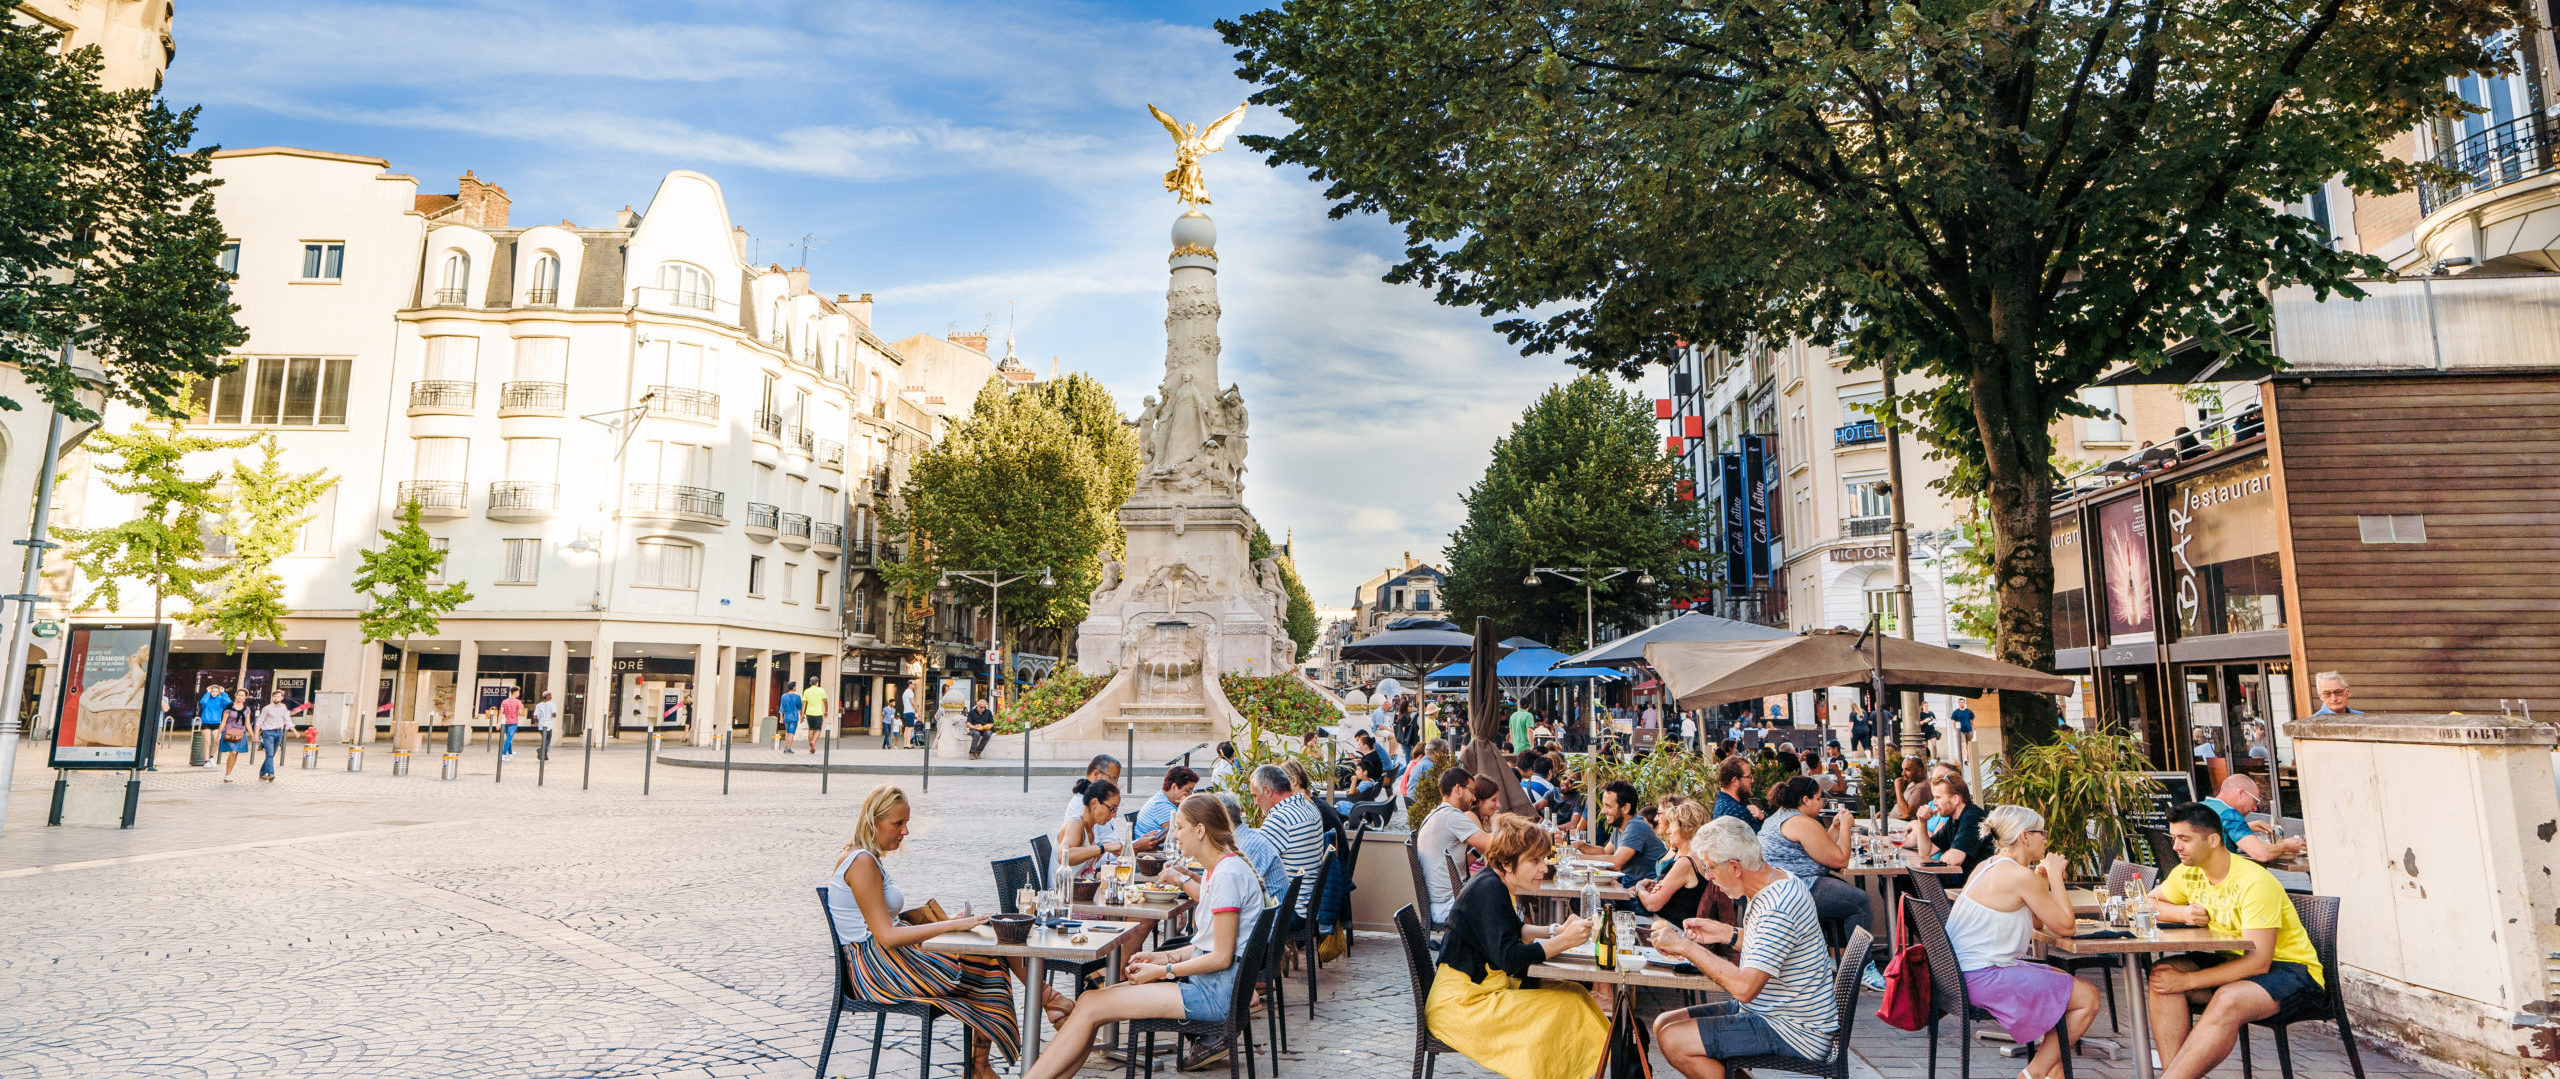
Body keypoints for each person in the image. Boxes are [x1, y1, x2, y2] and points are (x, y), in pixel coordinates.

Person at [828, 786, 1059, 1079]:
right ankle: (983, 1062)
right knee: (987, 959)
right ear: (873, 821)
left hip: (891, 957)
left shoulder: (863, 857)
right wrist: (951, 926)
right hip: (878, 968)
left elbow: (885, 922)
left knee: (988, 943)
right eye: (898, 823)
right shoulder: (861, 862)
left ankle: (993, 1052)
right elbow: (885, 936)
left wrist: (949, 922)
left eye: (906, 822)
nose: (905, 832)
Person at [1036, 794, 1266, 1079]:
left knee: (1091, 1005)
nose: (1175, 836)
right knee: (1088, 1004)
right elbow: (1206, 947)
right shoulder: (1219, 871)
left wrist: (1163, 970)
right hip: (1212, 988)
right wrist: (1158, 958)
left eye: (1179, 827)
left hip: (1212, 996)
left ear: (1200, 830)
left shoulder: (1226, 876)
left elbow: (1220, 957)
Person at [2145, 803, 2327, 1079]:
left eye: (2185, 839)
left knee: (2227, 998)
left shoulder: (2254, 882)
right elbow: (2150, 902)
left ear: (2213, 840)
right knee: (2163, 977)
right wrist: (2182, 912)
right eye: (2174, 839)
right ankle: (2176, 1074)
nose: (2175, 847)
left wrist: (2189, 982)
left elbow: (2259, 962)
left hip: (2291, 971)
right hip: (2233, 960)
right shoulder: (2188, 872)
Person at [1651, 817, 1842, 1079]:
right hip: (1772, 1012)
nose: (1709, 877)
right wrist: (1725, 933)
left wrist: (1685, 946)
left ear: (1734, 867)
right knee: (1664, 1024)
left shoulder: (1778, 907)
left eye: (1710, 868)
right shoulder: (1775, 881)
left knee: (1675, 1039)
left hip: (1794, 1030)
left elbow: (1745, 988)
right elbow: (1769, 946)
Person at [1423, 814, 1609, 1079]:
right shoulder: (1489, 890)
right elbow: (1510, 957)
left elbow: (1514, 931)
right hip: (1462, 1006)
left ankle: (1591, 1066)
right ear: (1508, 863)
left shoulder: (1494, 883)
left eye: (1543, 859)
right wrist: (1563, 942)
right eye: (1535, 860)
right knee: (1566, 1008)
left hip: (1478, 992)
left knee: (1575, 993)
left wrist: (1555, 930)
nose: (1544, 868)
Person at [1945, 805, 2103, 1079]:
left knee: (2063, 984)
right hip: (1982, 976)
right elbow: (2065, 927)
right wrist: (2055, 876)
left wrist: (2041, 879)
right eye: (2042, 832)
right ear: (2024, 837)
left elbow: (2037, 923)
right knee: (2087, 998)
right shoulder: (2018, 875)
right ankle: (2032, 1074)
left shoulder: (1988, 866)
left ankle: (2053, 1074)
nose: (2046, 838)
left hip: (1961, 973)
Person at [1758, 777, 1877, 964]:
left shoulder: (1781, 816)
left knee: (1843, 892)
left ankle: (1835, 958)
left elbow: (1820, 849)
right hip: (1796, 889)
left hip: (1781, 886)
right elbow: (1839, 859)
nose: (1822, 803)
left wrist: (1835, 827)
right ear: (1805, 800)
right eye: (1819, 798)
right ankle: (1862, 967)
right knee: (1859, 902)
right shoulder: (1800, 822)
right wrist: (1846, 825)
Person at [1416, 767, 1494, 922]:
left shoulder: (1435, 815)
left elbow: (1456, 860)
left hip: (1440, 903)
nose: (1473, 798)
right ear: (1458, 789)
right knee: (1500, 898)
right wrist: (1497, 821)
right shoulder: (1452, 817)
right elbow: (1493, 845)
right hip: (1448, 905)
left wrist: (1477, 853)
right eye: (1472, 791)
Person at [1251, 764, 1325, 928]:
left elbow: (1252, 867)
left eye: (1255, 796)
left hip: (1292, 911)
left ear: (1268, 791)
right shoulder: (1309, 807)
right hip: (1309, 906)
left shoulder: (1280, 818)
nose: (1255, 802)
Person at [1571, 780, 1667, 891]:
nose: (1603, 811)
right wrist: (1580, 846)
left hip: (1642, 895)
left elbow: (1615, 862)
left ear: (1626, 808)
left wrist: (1575, 859)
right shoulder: (1621, 827)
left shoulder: (1636, 826)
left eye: (1608, 806)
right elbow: (1605, 852)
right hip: (1629, 889)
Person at [1635, 799, 1713, 920]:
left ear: (1686, 827)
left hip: (1671, 929)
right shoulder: (1698, 858)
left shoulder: (1686, 862)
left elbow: (1652, 904)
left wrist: (1639, 887)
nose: (1668, 831)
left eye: (1672, 825)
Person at [2203, 774, 2306, 863]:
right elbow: (2262, 854)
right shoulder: (2229, 815)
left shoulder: (2200, 807)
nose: (2254, 808)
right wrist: (2286, 846)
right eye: (2255, 801)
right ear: (2241, 793)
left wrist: (2247, 827)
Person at [1913, 775, 1992, 881]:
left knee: (1909, 881)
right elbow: (1925, 852)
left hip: (1976, 885)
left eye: (1938, 797)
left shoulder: (1973, 817)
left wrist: (1945, 856)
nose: (1934, 803)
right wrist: (1922, 822)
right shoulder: (1953, 820)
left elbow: (1954, 859)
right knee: (1908, 880)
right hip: (1964, 881)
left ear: (1955, 799)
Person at [1052, 779, 1125, 886]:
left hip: (1081, 891)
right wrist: (1103, 847)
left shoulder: (1091, 829)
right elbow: (1063, 856)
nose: (1114, 815)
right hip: (1064, 896)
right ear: (1095, 803)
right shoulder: (1075, 823)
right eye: (1112, 809)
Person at [1132, 766, 1198, 853]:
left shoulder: (1164, 798)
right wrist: (1186, 805)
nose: (1189, 795)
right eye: (1188, 791)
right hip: (1150, 853)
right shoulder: (1162, 805)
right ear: (1174, 787)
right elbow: (1183, 833)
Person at [254, 691, 295, 783]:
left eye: (278, 696)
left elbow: (287, 720)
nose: (276, 698)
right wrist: (256, 734)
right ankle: (271, 773)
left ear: (282, 698)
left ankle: (261, 773)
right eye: (274, 696)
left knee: (271, 755)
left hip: (278, 732)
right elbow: (259, 721)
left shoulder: (283, 709)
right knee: (269, 754)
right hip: (268, 733)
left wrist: (294, 730)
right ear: (272, 697)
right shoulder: (267, 708)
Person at [1710, 756, 1762, 826]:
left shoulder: (1724, 800)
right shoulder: (1735, 812)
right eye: (1748, 777)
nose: (1752, 780)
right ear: (1735, 781)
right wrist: (1762, 817)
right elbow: (1759, 836)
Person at [197, 683, 232, 769]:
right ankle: (206, 761)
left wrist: (224, 693)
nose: (214, 693)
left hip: (217, 723)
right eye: (213, 691)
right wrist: (207, 692)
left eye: (216, 691)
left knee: (217, 741)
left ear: (218, 692)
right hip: (206, 723)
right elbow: (202, 702)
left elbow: (229, 703)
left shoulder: (220, 699)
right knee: (207, 742)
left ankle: (211, 757)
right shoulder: (207, 698)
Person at [216, 700, 250, 783]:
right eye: (238, 695)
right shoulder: (229, 708)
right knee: (233, 752)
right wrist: (218, 734)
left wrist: (253, 735)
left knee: (235, 754)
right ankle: (227, 775)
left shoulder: (247, 709)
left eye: (242, 695)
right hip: (229, 732)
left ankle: (228, 774)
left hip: (240, 733)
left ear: (245, 698)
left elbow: (247, 723)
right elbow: (223, 722)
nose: (240, 697)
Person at [799, 678, 829, 754]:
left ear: (810, 683)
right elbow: (825, 701)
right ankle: (813, 742)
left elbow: (804, 704)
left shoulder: (806, 691)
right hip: (818, 713)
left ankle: (811, 748)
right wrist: (826, 710)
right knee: (818, 729)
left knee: (811, 729)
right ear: (817, 683)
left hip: (809, 713)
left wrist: (802, 715)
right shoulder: (821, 690)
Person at [497, 687, 524, 759]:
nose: (519, 693)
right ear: (515, 693)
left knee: (509, 738)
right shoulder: (518, 702)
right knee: (509, 739)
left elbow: (500, 713)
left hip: (506, 722)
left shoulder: (504, 701)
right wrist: (519, 710)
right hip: (514, 723)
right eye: (518, 692)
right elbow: (520, 713)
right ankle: (503, 754)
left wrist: (498, 723)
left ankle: (511, 753)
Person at [530, 691, 557, 761]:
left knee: (544, 740)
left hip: (541, 725)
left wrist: (539, 718)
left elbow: (535, 717)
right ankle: (541, 750)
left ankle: (544, 756)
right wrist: (552, 714)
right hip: (548, 725)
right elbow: (554, 715)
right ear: (547, 696)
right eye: (550, 695)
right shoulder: (552, 705)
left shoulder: (538, 705)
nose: (551, 697)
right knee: (547, 740)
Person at [778, 681, 804, 753]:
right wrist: (802, 716)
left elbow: (782, 707)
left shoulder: (784, 696)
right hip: (794, 717)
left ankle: (786, 747)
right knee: (791, 733)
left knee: (787, 732)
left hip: (786, 717)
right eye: (795, 686)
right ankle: (788, 748)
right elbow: (799, 708)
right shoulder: (797, 697)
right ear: (793, 687)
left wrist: (781, 717)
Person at [899, 682, 920, 748]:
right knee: (911, 728)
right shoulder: (910, 692)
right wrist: (917, 710)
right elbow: (912, 702)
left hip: (905, 712)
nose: (915, 686)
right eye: (914, 684)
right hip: (910, 711)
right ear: (910, 684)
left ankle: (905, 744)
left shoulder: (905, 692)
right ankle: (908, 744)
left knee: (907, 728)